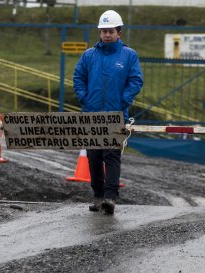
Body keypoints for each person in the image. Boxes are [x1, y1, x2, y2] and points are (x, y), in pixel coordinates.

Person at [73, 10, 143, 215]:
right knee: (94, 157)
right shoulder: (89, 55)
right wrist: (84, 99)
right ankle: (98, 196)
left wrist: (124, 100)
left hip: (115, 114)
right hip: (92, 114)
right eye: (103, 31)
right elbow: (78, 77)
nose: (107, 35)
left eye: (111, 31)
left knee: (111, 156)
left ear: (119, 32)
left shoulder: (129, 55)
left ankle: (110, 198)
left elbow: (136, 80)